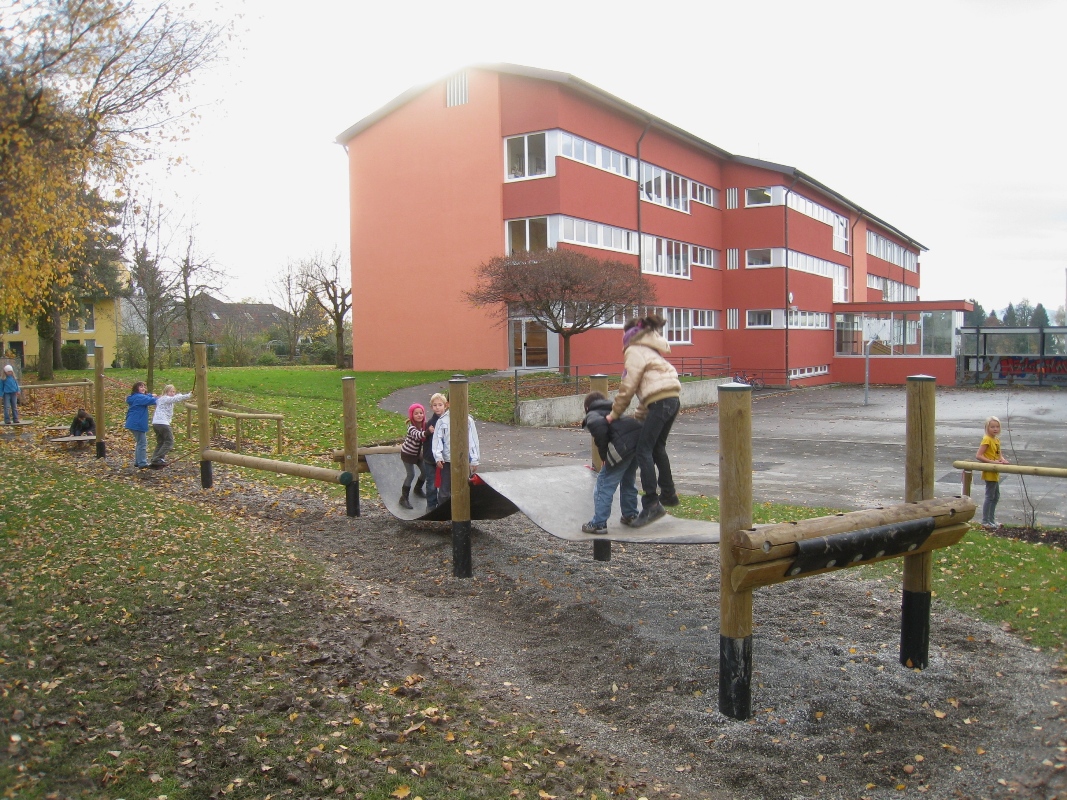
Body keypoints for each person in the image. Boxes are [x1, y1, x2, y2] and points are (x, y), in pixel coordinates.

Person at [606, 314, 682, 528]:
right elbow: (648, 392)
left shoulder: (634, 351)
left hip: (660, 402)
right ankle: (668, 493)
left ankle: (651, 504)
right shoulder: (651, 351)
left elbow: (628, 386)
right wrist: (639, 418)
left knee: (643, 450)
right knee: (658, 447)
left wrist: (614, 414)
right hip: (671, 400)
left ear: (629, 336)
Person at [581, 391, 642, 534]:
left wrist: (604, 458)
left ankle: (599, 523)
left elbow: (600, 431)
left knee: (604, 484)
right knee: (628, 479)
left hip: (624, 447)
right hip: (637, 444)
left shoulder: (593, 415)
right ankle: (630, 515)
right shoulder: (613, 411)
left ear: (587, 407)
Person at [431, 395, 480, 504]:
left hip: (463, 459)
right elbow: (437, 440)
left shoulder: (468, 420)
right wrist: (438, 456)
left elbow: (473, 441)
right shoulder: (442, 421)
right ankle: (444, 511)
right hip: (447, 460)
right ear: (448, 404)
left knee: (464, 485)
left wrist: (475, 459)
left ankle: (463, 510)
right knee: (445, 488)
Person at [975, 415, 1010, 529]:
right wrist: (991, 462)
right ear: (987, 428)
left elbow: (999, 454)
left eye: (997, 427)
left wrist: (1002, 460)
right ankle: (985, 521)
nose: (995, 429)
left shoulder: (996, 440)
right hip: (990, 471)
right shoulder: (987, 439)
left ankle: (992, 520)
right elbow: (979, 456)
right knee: (990, 496)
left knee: (996, 496)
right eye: (992, 427)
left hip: (996, 471)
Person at [149, 384, 192, 468]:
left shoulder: (161, 399)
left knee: (161, 442)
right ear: (166, 392)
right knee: (169, 441)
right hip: (162, 423)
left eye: (173, 391)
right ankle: (157, 458)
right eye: (170, 391)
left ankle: (155, 459)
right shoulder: (165, 398)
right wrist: (189, 395)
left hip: (156, 423)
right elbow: (176, 398)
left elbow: (176, 397)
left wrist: (182, 395)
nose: (172, 393)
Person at [421, 393, 447, 510]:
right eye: (435, 405)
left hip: (444, 457)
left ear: (445, 406)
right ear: (431, 407)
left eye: (440, 405)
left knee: (445, 483)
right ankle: (431, 505)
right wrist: (428, 432)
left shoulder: (447, 421)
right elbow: (424, 439)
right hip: (431, 458)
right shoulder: (430, 423)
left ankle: (443, 505)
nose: (437, 407)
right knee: (431, 483)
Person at [399, 403, 427, 508]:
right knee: (410, 474)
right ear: (412, 416)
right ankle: (403, 498)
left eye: (421, 413)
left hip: (418, 454)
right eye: (416, 414)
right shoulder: (411, 427)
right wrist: (428, 432)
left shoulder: (424, 425)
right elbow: (419, 435)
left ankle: (417, 489)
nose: (419, 415)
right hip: (408, 454)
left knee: (425, 472)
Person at [124, 381, 157, 469]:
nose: (143, 388)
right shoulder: (139, 397)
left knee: (140, 442)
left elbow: (146, 397)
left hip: (133, 423)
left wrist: (150, 395)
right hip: (137, 423)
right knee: (142, 443)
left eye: (144, 387)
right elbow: (151, 401)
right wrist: (161, 398)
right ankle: (142, 463)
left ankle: (138, 462)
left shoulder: (135, 397)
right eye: (140, 387)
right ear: (136, 389)